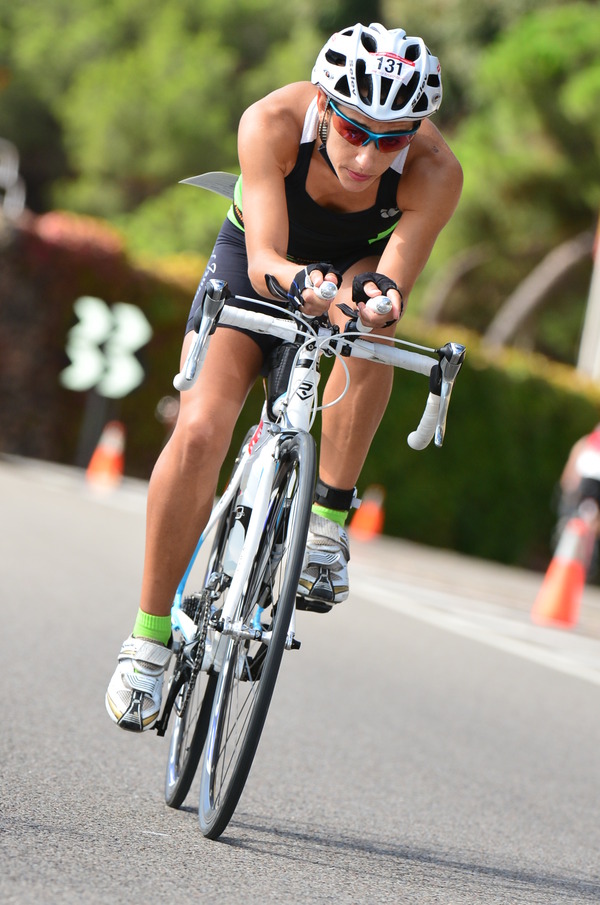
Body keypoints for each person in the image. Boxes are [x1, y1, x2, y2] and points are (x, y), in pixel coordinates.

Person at [106, 22, 463, 731]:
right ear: (324, 105)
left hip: (354, 265)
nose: (367, 156)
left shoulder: (436, 170)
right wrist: (302, 285)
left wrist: (372, 302)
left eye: (391, 139)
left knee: (374, 328)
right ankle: (147, 639)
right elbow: (266, 257)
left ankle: (326, 524)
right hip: (260, 259)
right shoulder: (271, 121)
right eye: (354, 129)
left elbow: (393, 279)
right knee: (201, 428)